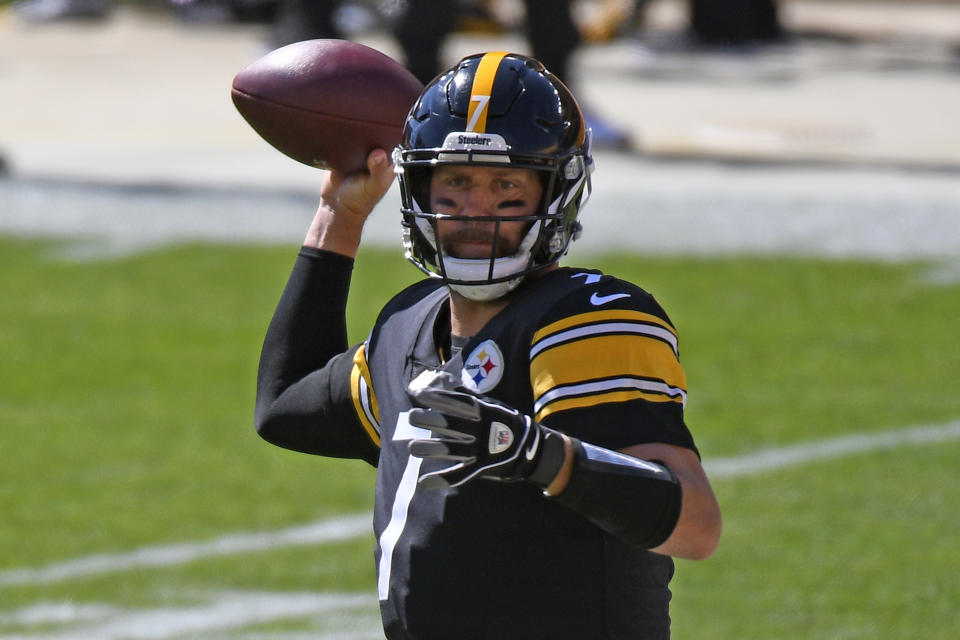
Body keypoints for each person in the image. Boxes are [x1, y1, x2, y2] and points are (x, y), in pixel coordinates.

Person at [255, 51, 722, 639]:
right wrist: (339, 213)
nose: (476, 212)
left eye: (506, 185)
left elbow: (696, 526)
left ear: (555, 192)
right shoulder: (408, 325)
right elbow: (282, 406)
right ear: (419, 185)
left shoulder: (584, 318)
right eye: (455, 182)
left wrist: (533, 454)